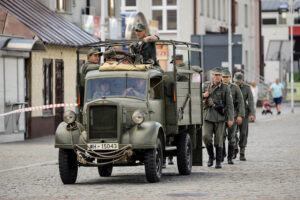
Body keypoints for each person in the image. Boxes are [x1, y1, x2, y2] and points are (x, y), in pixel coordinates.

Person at [202, 67, 234, 169]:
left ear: (221, 77)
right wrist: (204, 95)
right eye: (215, 75)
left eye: (219, 75)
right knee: (206, 137)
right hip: (208, 115)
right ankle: (211, 157)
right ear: (212, 75)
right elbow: (196, 97)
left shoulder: (225, 88)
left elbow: (229, 104)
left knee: (218, 140)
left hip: (220, 117)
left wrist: (230, 118)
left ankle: (218, 161)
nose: (217, 77)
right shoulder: (206, 86)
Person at [221, 69, 245, 165]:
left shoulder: (235, 88)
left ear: (230, 78)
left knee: (232, 136)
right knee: (221, 136)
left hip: (232, 115)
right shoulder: (219, 87)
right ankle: (222, 154)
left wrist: (240, 115)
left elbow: (241, 102)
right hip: (221, 115)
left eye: (227, 77)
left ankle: (230, 157)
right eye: (224, 77)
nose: (225, 79)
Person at [233, 72, 255, 161]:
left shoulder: (247, 88)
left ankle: (242, 152)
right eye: (236, 81)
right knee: (232, 132)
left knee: (243, 133)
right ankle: (234, 148)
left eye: (239, 81)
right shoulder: (230, 87)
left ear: (242, 80)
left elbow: (250, 101)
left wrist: (252, 113)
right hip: (233, 112)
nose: (237, 83)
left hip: (244, 113)